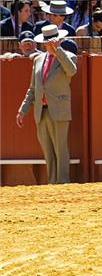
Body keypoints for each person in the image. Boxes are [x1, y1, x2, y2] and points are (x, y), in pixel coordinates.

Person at [16, 24, 77, 184]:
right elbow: (33, 88)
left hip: (58, 109)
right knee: (48, 151)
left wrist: (59, 51)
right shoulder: (38, 60)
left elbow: (72, 71)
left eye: (53, 42)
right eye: (47, 42)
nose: (50, 45)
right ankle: (52, 182)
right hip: (41, 110)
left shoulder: (68, 56)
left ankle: (63, 181)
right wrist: (23, 110)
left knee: (60, 148)